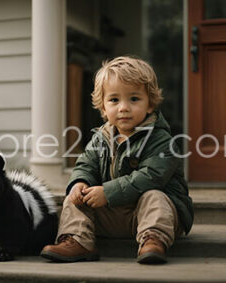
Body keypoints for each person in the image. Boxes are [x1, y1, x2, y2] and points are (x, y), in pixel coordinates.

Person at [40, 56, 194, 264]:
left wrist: (108, 192)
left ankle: (153, 240)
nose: (123, 107)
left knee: (154, 196)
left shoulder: (161, 140)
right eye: (114, 100)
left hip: (156, 216)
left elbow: (151, 176)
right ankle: (78, 240)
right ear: (103, 108)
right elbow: (86, 164)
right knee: (74, 199)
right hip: (113, 216)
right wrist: (79, 183)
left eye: (134, 99)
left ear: (150, 104)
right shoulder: (100, 138)